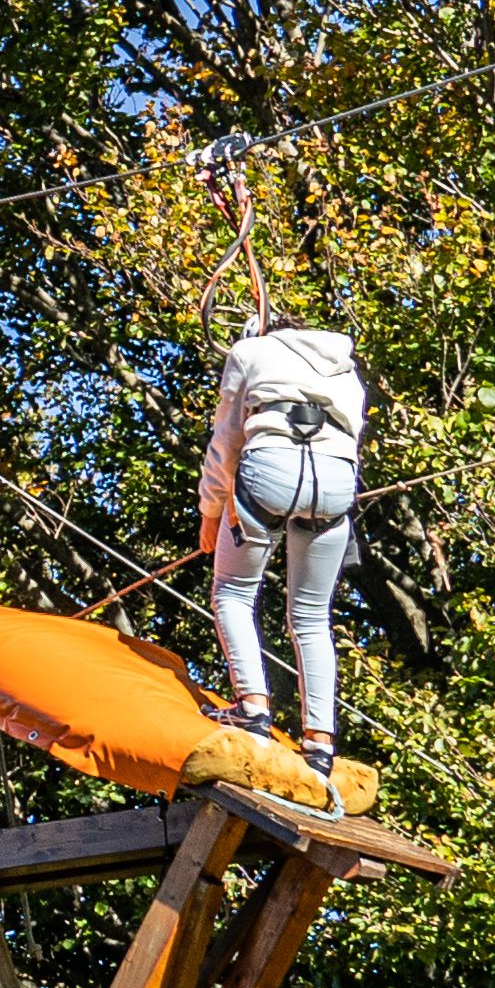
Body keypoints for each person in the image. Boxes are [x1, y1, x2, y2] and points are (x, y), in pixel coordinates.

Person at [200, 317, 369, 764]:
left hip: (269, 470)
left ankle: (252, 707)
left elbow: (226, 442)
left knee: (232, 592)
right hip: (334, 483)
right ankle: (320, 740)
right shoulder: (347, 370)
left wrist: (211, 512)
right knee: (312, 617)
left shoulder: (250, 352)